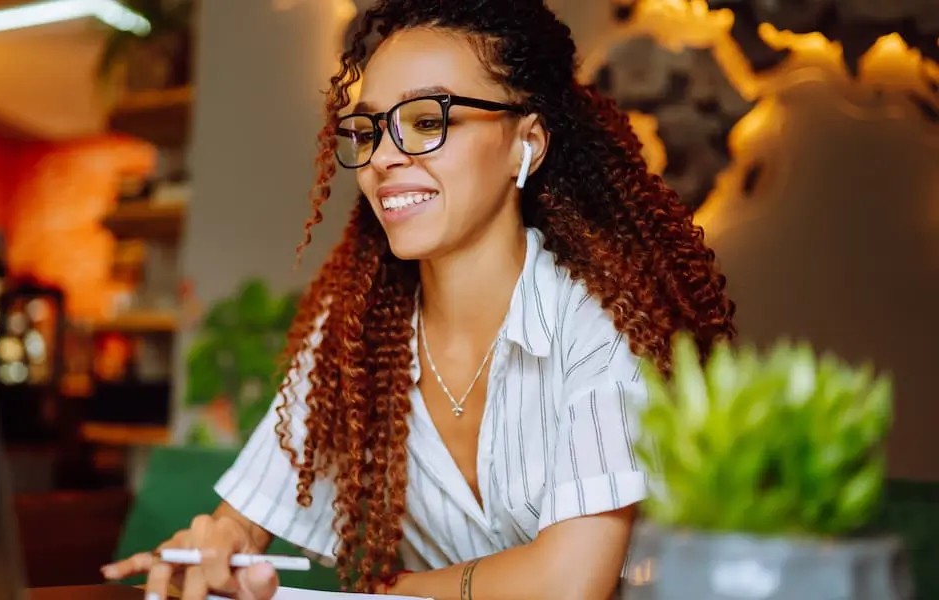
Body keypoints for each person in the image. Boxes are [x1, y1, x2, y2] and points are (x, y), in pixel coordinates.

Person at [103, 1, 735, 598]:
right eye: (370, 129)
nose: (382, 157)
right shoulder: (354, 331)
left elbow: (570, 582)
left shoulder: (597, 318)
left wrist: (403, 591)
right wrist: (216, 552)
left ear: (528, 144)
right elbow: (242, 523)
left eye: (428, 121)